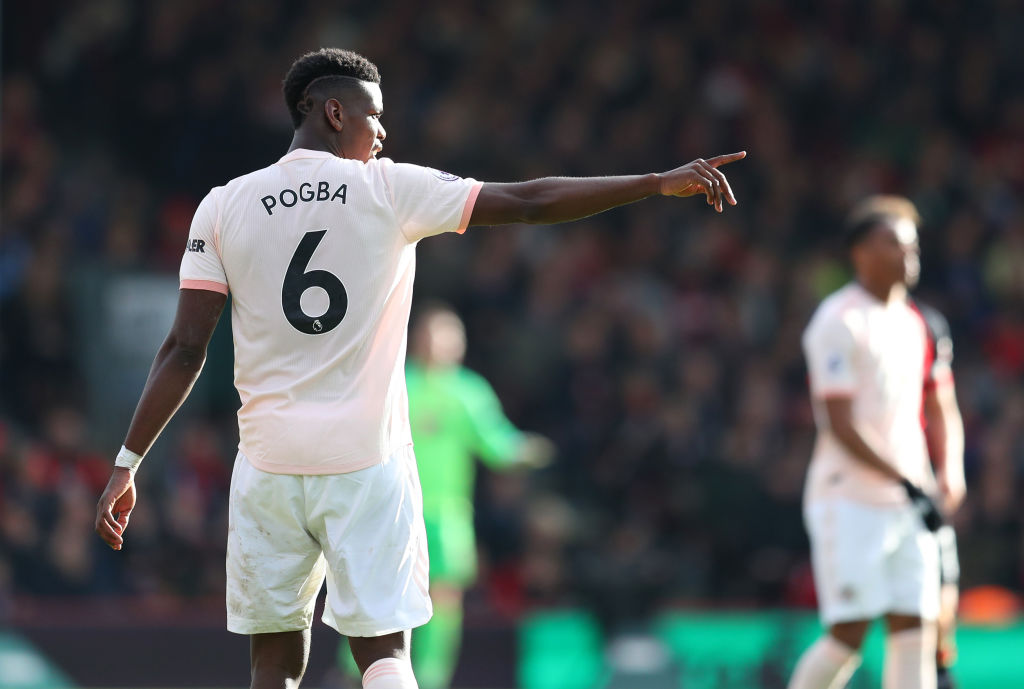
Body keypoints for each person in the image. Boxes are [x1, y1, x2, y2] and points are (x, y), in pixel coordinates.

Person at [93, 47, 745, 689]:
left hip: (268, 464)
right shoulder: (388, 188)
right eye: (374, 117)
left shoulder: (223, 205)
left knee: (275, 665)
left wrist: (128, 461)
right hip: (365, 461)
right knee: (385, 655)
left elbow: (184, 348)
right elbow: (528, 200)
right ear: (333, 111)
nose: (383, 133)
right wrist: (654, 183)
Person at [339, 302, 553, 689]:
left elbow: (497, 443)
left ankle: (433, 677)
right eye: (433, 332)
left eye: (449, 334)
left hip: (447, 513)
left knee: (443, 596)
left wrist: (526, 451)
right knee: (378, 588)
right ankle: (354, 673)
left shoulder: (468, 392)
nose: (440, 342)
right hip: (391, 506)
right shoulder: (396, 383)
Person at [788, 195, 949, 689]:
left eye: (913, 247)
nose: (909, 256)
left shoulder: (917, 322)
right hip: (849, 500)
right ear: (859, 253)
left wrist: (947, 473)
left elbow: (941, 403)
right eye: (895, 245)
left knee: (913, 630)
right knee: (848, 633)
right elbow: (839, 423)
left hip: (907, 500)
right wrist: (905, 477)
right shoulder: (838, 321)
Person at [915, 302, 966, 689]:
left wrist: (951, 469)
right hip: (869, 496)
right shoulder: (850, 320)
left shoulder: (928, 325)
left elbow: (943, 405)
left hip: (922, 491)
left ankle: (942, 674)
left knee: (940, 608)